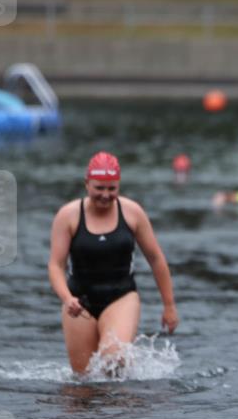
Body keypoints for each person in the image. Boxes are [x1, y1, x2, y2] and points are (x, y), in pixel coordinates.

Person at [48, 152, 179, 374]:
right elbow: (55, 265)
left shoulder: (132, 213)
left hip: (121, 297)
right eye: (99, 188)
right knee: (84, 381)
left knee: (113, 360)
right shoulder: (68, 215)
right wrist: (66, 298)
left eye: (112, 189)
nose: (106, 195)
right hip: (78, 302)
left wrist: (169, 306)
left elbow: (156, 259)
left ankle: (125, 399)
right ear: (87, 184)